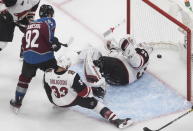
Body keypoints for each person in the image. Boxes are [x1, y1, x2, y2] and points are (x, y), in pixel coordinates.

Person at [43, 56, 134, 129]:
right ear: (66, 66)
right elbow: (85, 93)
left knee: (61, 93)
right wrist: (93, 90)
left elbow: (46, 88)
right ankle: (116, 120)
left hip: (56, 101)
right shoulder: (72, 75)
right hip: (71, 101)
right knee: (96, 104)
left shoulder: (47, 73)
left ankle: (59, 103)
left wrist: (54, 101)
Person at [10, 4, 63, 111]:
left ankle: (17, 102)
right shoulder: (49, 21)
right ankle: (59, 102)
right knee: (55, 76)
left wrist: (25, 53)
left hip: (28, 57)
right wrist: (55, 43)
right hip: (44, 57)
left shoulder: (30, 24)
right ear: (49, 14)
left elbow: (24, 41)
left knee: (24, 79)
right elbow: (50, 38)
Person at [81, 34, 151, 87]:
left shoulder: (143, 52)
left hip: (123, 72)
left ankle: (93, 76)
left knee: (102, 60)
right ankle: (95, 75)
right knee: (98, 56)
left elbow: (137, 64)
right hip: (117, 79)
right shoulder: (123, 53)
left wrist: (128, 48)